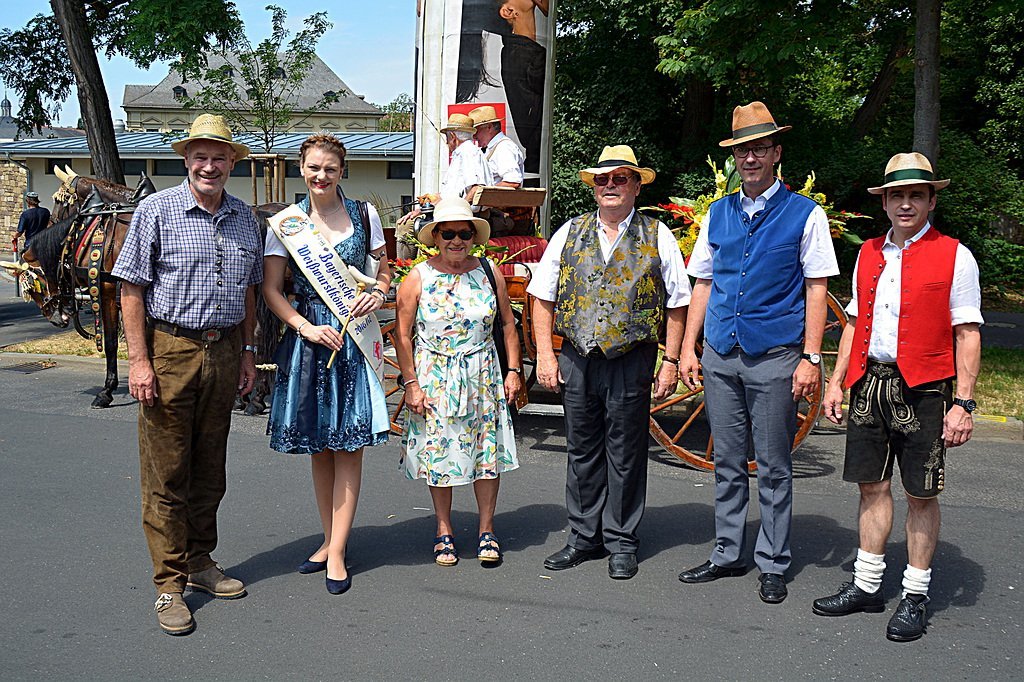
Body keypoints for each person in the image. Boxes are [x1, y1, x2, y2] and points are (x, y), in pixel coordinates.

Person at [812, 153, 982, 642]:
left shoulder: (956, 254)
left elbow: (967, 332)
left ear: (931, 200)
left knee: (920, 493)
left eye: (915, 194)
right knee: (870, 486)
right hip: (870, 383)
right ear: (885, 202)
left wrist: (963, 403)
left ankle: (914, 594)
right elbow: (854, 324)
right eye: (896, 195)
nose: (905, 203)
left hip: (926, 387)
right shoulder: (868, 253)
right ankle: (867, 585)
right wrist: (837, 380)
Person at [677, 102, 839, 604]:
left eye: (759, 149)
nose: (750, 157)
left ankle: (773, 561)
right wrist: (688, 349)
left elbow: (818, 287)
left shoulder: (805, 214)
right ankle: (727, 552)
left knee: (772, 464)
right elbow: (702, 281)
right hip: (722, 352)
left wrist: (811, 357)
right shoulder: (718, 213)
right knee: (726, 460)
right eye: (743, 150)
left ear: (776, 153)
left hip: (775, 355)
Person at [111, 114, 263, 636]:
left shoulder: (246, 219)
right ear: (186, 159)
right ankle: (168, 585)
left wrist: (247, 352)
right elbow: (130, 289)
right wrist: (138, 360)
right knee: (166, 473)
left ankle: (200, 562)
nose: (210, 165)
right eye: (201, 155)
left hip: (223, 352)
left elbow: (248, 293)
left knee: (209, 469)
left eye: (220, 157)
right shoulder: (156, 211)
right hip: (170, 348)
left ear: (232, 164)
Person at [528, 144, 691, 580]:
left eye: (620, 178)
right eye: (603, 179)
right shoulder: (569, 232)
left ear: (637, 185)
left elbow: (678, 303)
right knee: (581, 449)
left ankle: (621, 540)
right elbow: (541, 295)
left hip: (631, 357)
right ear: (594, 188)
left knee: (626, 451)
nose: (610, 186)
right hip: (577, 357)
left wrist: (670, 360)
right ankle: (583, 537)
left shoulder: (658, 235)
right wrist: (545, 353)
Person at [263, 133, 392, 595]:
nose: (321, 176)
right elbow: (272, 290)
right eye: (314, 167)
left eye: (330, 169)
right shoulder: (286, 223)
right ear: (302, 167)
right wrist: (303, 327)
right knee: (319, 446)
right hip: (312, 338)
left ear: (343, 171)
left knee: (348, 446)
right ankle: (328, 539)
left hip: (353, 339)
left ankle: (337, 550)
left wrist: (377, 292)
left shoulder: (365, 214)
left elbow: (384, 267)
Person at [395, 197, 521, 567]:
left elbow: (508, 324)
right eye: (448, 233)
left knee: (486, 454)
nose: (456, 240)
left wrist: (513, 370)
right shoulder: (417, 277)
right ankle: (444, 530)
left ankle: (486, 529)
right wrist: (411, 383)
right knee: (440, 455)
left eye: (464, 233)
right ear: (435, 235)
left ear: (473, 236)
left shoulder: (488, 271)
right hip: (434, 375)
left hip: (482, 373)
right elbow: (402, 336)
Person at [395, 112, 491, 259]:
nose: (447, 142)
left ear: (453, 137)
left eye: (447, 138)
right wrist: (422, 207)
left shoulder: (468, 153)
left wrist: (457, 210)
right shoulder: (462, 154)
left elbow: (477, 188)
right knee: (409, 222)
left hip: (461, 215)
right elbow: (450, 194)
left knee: (406, 227)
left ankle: (406, 271)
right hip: (450, 211)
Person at [469, 104, 525, 188]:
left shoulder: (504, 148)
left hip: (500, 200)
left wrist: (483, 191)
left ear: (489, 127)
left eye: (476, 131)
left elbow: (512, 182)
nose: (474, 136)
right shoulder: (495, 147)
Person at [14, 191, 50, 257]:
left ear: (28, 201)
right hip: (44, 243)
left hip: (30, 245)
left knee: (25, 264)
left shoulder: (25, 214)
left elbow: (19, 232)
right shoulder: (46, 212)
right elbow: (50, 225)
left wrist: (14, 236)